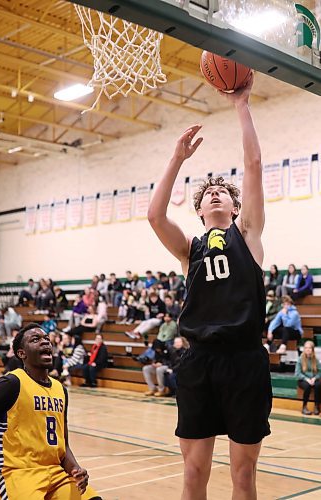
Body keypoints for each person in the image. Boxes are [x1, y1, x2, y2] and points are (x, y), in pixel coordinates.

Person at [148, 74, 272, 499]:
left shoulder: (248, 234)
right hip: (199, 362)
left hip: (244, 361)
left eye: (224, 192)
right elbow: (155, 215)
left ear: (236, 207)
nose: (216, 195)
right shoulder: (189, 250)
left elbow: (253, 165)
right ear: (199, 209)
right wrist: (176, 159)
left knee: (242, 476)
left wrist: (241, 106)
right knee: (194, 472)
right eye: (209, 194)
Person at [0, 323, 101, 500]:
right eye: (36, 339)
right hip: (16, 474)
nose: (45, 342)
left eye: (47, 339)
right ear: (21, 353)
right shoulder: (10, 384)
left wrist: (75, 469)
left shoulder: (60, 389)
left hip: (55, 475)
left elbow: (63, 446)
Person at [295, 340, 321, 415]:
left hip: (313, 379)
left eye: (309, 348)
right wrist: (307, 379)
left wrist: (315, 378)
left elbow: (320, 372)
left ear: (312, 349)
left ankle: (316, 406)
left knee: (318, 385)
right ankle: (304, 407)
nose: (307, 349)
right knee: (307, 386)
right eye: (306, 348)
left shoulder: (315, 360)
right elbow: (297, 373)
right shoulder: (300, 359)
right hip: (303, 379)